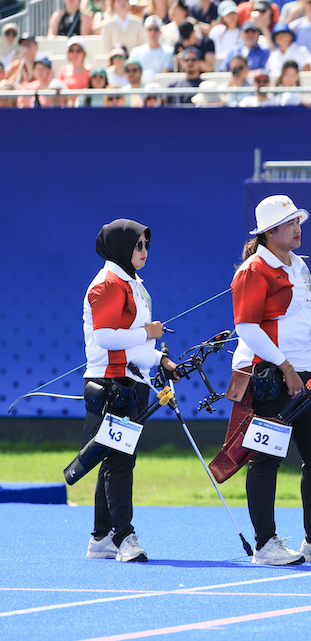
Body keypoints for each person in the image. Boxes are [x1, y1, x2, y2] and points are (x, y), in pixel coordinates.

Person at [229, 195, 311, 566]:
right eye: (289, 223)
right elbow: (247, 327)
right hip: (269, 375)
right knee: (266, 458)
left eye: (297, 221)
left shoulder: (300, 267)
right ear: (270, 232)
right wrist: (285, 367)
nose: (297, 228)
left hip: (305, 374)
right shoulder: (254, 270)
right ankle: (265, 544)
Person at [82, 219, 178, 563]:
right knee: (119, 461)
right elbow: (106, 336)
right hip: (112, 383)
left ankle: (101, 537)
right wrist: (149, 334)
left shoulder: (132, 283)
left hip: (130, 381)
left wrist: (159, 360)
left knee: (116, 459)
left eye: (146, 245)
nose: (143, 251)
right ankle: (123, 537)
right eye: (138, 245)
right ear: (121, 247)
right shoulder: (108, 283)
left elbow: (132, 337)